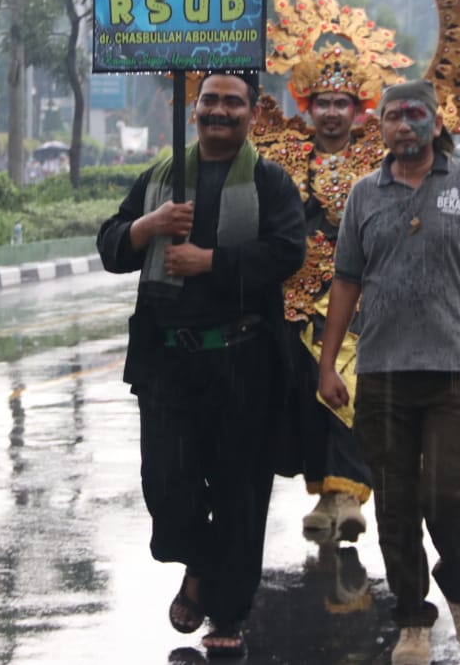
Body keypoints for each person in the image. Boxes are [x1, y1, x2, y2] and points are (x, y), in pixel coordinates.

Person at [96, 70, 306, 658]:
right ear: (195, 109)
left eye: (231, 102)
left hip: (243, 360)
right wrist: (148, 227)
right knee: (167, 485)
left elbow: (288, 251)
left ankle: (228, 606)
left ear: (251, 112)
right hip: (167, 363)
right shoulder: (164, 177)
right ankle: (199, 561)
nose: (218, 110)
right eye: (209, 100)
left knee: (240, 492)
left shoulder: (269, 181)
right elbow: (111, 244)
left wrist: (210, 260)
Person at [318, 80, 460, 663]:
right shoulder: (364, 194)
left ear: (435, 124)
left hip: (455, 369)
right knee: (396, 505)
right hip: (382, 373)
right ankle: (412, 617)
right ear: (377, 126)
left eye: (414, 115)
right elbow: (346, 283)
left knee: (448, 494)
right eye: (392, 117)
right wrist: (329, 364)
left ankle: (459, 588)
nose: (403, 125)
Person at [258, 0, 396, 543]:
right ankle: (324, 491)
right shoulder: (281, 154)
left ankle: (347, 493)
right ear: (305, 106)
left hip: (359, 295)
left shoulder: (379, 156)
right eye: (323, 103)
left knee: (350, 388)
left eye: (343, 103)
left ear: (359, 107)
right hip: (294, 294)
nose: (333, 113)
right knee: (306, 396)